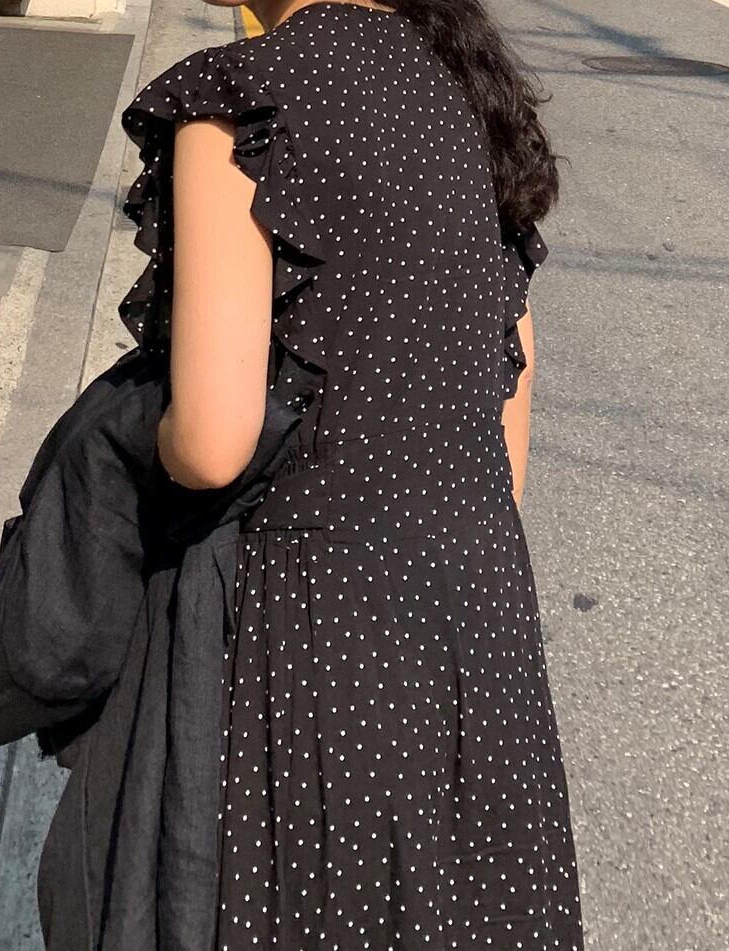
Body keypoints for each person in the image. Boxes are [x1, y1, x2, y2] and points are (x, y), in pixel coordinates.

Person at [120, 0, 586, 947]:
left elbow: (210, 442)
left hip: (317, 623)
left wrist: (131, 435)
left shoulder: (243, 104)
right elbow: (507, 417)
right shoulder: (466, 93)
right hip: (478, 612)